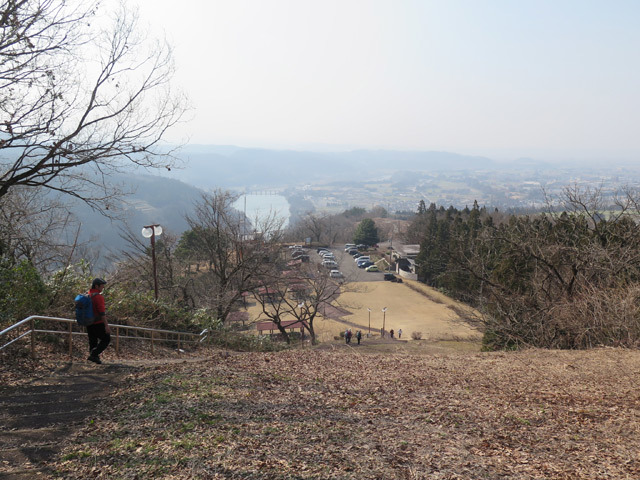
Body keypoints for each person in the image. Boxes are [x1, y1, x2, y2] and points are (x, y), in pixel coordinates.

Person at [87, 278, 110, 364]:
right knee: (106, 339)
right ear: (97, 286)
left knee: (93, 340)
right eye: (102, 285)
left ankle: (94, 357)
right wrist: (106, 325)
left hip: (88, 322)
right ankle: (94, 354)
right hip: (98, 323)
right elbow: (102, 313)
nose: (103, 287)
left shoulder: (88, 294)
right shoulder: (98, 297)